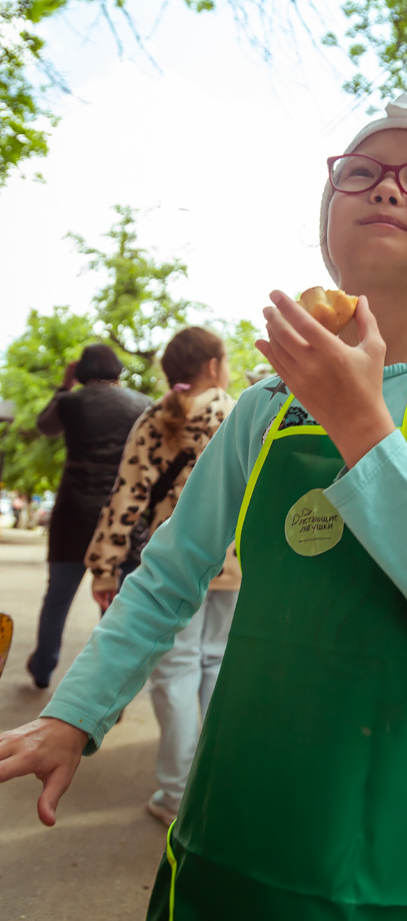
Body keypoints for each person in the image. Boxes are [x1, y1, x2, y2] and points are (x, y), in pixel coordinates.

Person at [0, 94, 407, 921]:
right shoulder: (262, 407)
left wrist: (362, 424)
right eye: (359, 173)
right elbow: (170, 574)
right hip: (245, 810)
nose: (387, 189)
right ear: (329, 225)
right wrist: (75, 712)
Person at [84, 327, 241, 826]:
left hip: (176, 564)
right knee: (217, 664)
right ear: (214, 367)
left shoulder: (154, 418)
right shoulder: (240, 412)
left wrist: (105, 566)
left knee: (174, 672)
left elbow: (126, 495)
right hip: (238, 562)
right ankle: (218, 788)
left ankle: (176, 793)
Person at [27, 345, 150, 689]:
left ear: (81, 370)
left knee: (58, 598)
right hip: (123, 515)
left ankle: (42, 668)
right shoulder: (141, 403)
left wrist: (65, 385)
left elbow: (45, 426)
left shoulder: (70, 401)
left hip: (72, 514)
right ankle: (109, 681)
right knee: (115, 604)